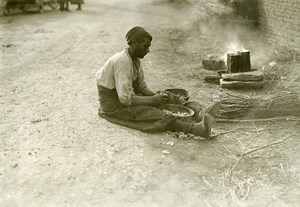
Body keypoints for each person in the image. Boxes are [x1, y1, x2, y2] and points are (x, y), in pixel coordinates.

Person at [95, 26, 220, 138]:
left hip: (123, 98)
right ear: (133, 43)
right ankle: (197, 130)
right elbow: (125, 99)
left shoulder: (135, 59)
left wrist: (157, 96)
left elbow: (140, 86)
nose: (148, 50)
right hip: (114, 105)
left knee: (166, 96)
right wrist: (153, 100)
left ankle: (199, 111)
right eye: (145, 46)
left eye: (148, 46)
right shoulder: (122, 61)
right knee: (158, 114)